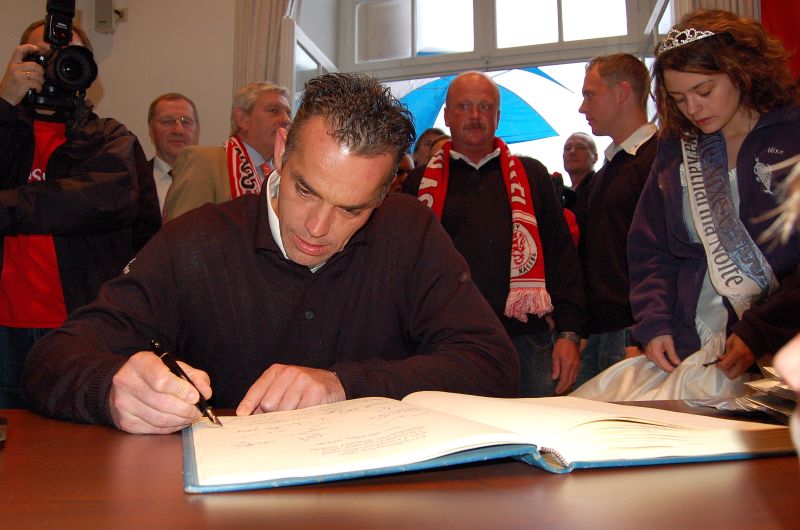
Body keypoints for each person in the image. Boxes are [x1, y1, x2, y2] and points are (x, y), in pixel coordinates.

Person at [21, 72, 519, 434]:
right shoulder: (194, 242)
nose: (317, 229)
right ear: (281, 150)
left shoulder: (410, 233)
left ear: (386, 190)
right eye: (305, 190)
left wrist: (344, 384)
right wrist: (112, 389)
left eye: (352, 209)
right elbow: (52, 358)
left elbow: (493, 364)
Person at [573, 9, 800, 401]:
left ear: (742, 72)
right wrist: (654, 322)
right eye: (679, 99)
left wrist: (759, 330)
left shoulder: (792, 137)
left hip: (778, 350)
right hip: (688, 345)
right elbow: (650, 246)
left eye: (704, 91)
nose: (692, 109)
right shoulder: (677, 148)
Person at [0, 19, 160, 408]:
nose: (54, 65)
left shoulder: (110, 137)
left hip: (81, 327)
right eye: (41, 56)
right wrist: (3, 103)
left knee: (78, 442)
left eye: (67, 56)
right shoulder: (6, 128)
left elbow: (103, 201)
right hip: (3, 330)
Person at [403, 71, 584, 397]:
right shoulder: (417, 185)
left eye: (485, 107)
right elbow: (404, 270)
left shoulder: (533, 175)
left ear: (498, 117)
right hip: (446, 344)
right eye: (464, 106)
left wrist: (569, 334)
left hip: (527, 341)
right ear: (448, 116)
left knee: (536, 427)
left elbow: (561, 257)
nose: (475, 116)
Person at [572, 54, 658, 388]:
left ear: (622, 92)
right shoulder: (609, 168)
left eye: (590, 95)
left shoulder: (659, 160)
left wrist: (645, 330)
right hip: (603, 333)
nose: (583, 107)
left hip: (635, 334)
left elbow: (667, 257)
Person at [164, 82, 291, 221]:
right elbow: (185, 229)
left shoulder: (286, 174)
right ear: (242, 118)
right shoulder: (202, 161)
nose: (286, 120)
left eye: (288, 113)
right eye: (273, 111)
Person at [147, 93, 200, 213]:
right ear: (151, 130)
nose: (178, 130)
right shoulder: (134, 181)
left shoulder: (216, 183)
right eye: (167, 122)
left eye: (185, 122)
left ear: (197, 131)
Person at [561, 132, 597, 213]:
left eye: (580, 148)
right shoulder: (563, 194)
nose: (572, 152)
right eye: (568, 148)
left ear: (595, 157)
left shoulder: (599, 188)